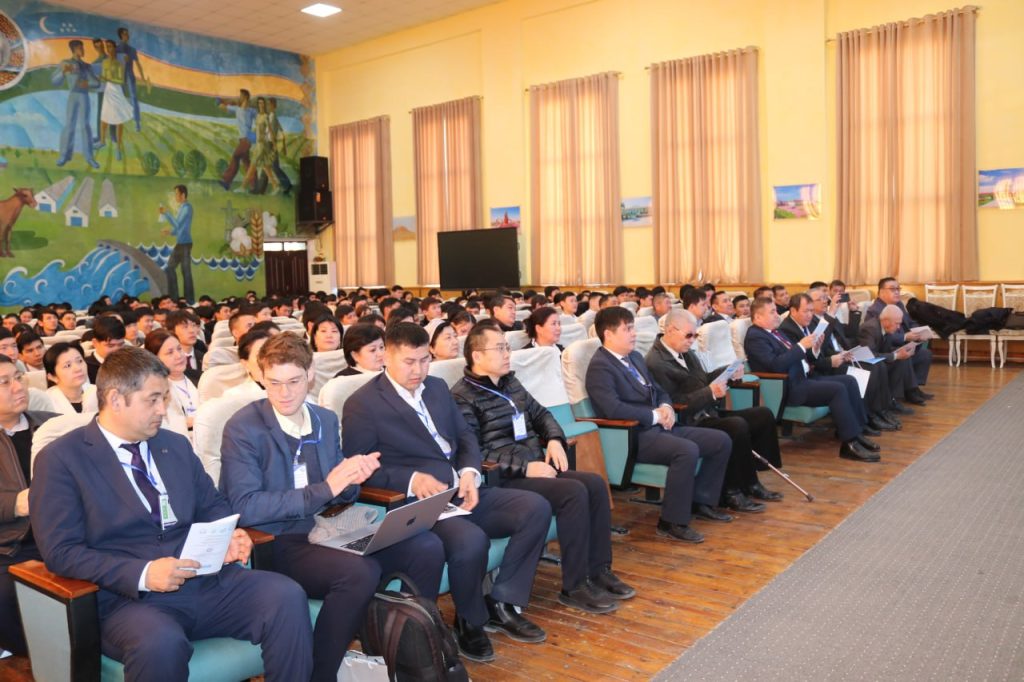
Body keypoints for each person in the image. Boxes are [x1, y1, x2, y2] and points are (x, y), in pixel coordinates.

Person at [30, 347, 313, 680]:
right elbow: (61, 551)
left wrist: (229, 534)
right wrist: (144, 573)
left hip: (203, 580)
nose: (162, 410)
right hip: (128, 600)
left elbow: (212, 505)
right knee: (160, 642)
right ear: (116, 399)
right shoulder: (62, 459)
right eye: (152, 400)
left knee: (286, 596)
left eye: (164, 398)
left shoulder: (174, 445)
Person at [219, 334, 444, 682]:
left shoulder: (323, 419)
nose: (283, 393)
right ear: (261, 377)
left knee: (425, 546)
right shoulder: (245, 428)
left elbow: (341, 495)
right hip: (278, 539)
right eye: (274, 383)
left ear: (310, 374)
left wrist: (353, 478)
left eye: (294, 381)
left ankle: (409, 654)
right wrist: (327, 488)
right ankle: (320, 673)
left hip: (330, 525)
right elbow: (246, 507)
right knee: (359, 573)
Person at [342, 323, 551, 663]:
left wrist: (469, 472)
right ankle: (469, 621)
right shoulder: (363, 404)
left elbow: (465, 436)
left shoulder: (437, 387)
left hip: (462, 488)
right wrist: (411, 479)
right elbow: (359, 468)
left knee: (535, 508)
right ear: (386, 358)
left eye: (424, 360)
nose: (418, 370)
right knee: (471, 541)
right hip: (421, 503)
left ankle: (502, 601)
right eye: (409, 362)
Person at [453, 324, 634, 615]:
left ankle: (599, 569)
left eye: (507, 347)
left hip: (536, 467)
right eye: (499, 348)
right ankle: (574, 586)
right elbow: (473, 452)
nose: (507, 353)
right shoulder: (462, 397)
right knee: (573, 491)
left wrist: (554, 439)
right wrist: (525, 468)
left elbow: (542, 415)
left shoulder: (510, 383)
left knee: (595, 484)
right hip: (503, 479)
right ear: (476, 355)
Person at [585, 307, 732, 543]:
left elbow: (659, 390)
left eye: (633, 328)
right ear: (608, 334)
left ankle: (701, 501)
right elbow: (612, 409)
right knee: (686, 450)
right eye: (627, 329)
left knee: (720, 440)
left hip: (660, 426)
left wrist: (666, 407)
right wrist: (654, 416)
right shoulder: (600, 367)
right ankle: (671, 522)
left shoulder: (634, 357)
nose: (634, 333)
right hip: (634, 434)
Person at [646, 310, 782, 508]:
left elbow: (702, 380)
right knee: (736, 426)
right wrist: (709, 393)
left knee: (762, 415)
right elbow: (673, 402)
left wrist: (727, 372)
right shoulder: (656, 362)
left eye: (695, 335)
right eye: (689, 335)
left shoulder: (685, 351)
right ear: (670, 330)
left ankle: (751, 480)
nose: (692, 340)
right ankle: (731, 491)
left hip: (706, 411)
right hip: (688, 420)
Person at [744, 298, 880, 462]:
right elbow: (775, 365)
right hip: (788, 387)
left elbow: (799, 356)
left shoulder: (775, 332)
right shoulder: (755, 337)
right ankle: (849, 443)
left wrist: (814, 348)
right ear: (758, 317)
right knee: (837, 390)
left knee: (849, 381)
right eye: (772, 312)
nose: (777, 315)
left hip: (803, 378)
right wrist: (801, 346)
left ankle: (857, 433)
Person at [0, 356, 57, 656]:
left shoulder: (52, 425)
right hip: (10, 547)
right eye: (4, 382)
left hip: (63, 535)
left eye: (18, 377)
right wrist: (13, 504)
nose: (17, 386)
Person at [864, 278, 933, 397]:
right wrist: (905, 337)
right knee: (904, 355)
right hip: (888, 349)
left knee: (925, 354)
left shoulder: (899, 304)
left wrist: (918, 332)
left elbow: (911, 322)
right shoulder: (875, 310)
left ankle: (914, 387)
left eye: (898, 289)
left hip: (903, 345)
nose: (897, 292)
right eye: (892, 289)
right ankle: (910, 392)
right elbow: (882, 336)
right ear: (881, 292)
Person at [858, 305, 925, 409]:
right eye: (897, 323)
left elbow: (886, 349)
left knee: (902, 360)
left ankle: (894, 400)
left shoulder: (886, 328)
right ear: (885, 321)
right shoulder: (870, 328)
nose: (899, 327)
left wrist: (900, 352)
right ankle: (890, 402)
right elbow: (869, 355)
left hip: (878, 361)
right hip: (866, 365)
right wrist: (895, 355)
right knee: (897, 359)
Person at [52, 40, 100, 169]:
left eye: (82, 48)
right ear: (74, 49)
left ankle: (89, 157)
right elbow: (54, 81)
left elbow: (96, 83)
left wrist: (87, 84)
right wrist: (63, 72)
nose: (83, 51)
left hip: (84, 96)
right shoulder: (65, 63)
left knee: (85, 126)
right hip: (73, 96)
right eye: (80, 48)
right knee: (69, 125)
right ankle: (64, 156)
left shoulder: (87, 66)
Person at [144, 330, 197, 439]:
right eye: (170, 352)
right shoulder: (154, 391)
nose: (179, 355)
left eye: (179, 349)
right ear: (155, 359)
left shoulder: (202, 377)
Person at [97, 39, 132, 160]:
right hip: (108, 90)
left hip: (116, 90)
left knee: (119, 119)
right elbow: (104, 76)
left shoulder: (118, 64)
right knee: (104, 117)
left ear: (114, 48)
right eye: (107, 47)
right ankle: (102, 141)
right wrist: (102, 78)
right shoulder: (105, 62)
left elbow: (121, 80)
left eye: (111, 47)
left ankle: (118, 148)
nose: (109, 49)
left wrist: (108, 79)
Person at [159, 185, 194, 303]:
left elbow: (178, 224)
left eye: (177, 194)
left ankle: (188, 300)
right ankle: (175, 298)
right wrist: (170, 232)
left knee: (185, 272)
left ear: (183, 195)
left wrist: (167, 213)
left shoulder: (187, 208)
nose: (175, 197)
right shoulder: (182, 208)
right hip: (182, 243)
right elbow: (180, 228)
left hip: (185, 244)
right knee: (171, 268)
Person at [44, 342, 98, 415]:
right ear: (52, 377)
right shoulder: (46, 403)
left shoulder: (99, 392)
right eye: (68, 366)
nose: (78, 368)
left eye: (80, 361)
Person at [219, 89, 256, 191]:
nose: (239, 97)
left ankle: (226, 181)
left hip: (247, 139)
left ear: (245, 97)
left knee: (235, 157)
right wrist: (221, 101)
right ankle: (254, 185)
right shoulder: (237, 109)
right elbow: (223, 107)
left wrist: (255, 136)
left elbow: (261, 120)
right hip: (242, 140)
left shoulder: (252, 111)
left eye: (241, 96)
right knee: (247, 162)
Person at [165, 310, 205, 381]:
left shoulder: (204, 357)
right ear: (172, 331)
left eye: (193, 325)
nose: (192, 330)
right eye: (185, 327)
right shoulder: (167, 362)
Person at [85, 317, 127, 383]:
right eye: (110, 346)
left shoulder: (130, 363)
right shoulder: (85, 369)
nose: (117, 350)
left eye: (120, 344)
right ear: (95, 343)